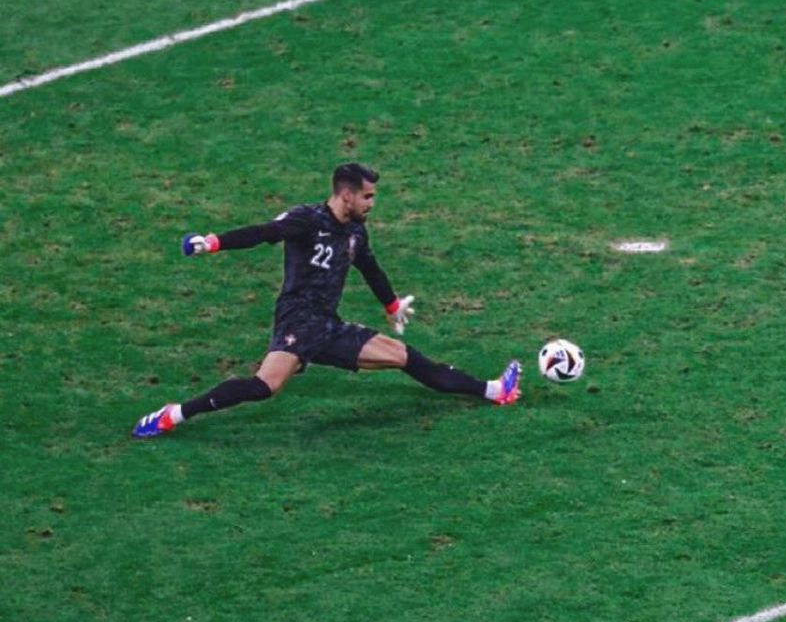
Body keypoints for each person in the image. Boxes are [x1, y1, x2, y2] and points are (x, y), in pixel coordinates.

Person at [132, 163, 521, 438]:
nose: (372, 203)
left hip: (328, 324)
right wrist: (213, 242)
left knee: (405, 356)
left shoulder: (356, 232)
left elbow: (369, 267)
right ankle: (173, 414)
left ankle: (493, 390)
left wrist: (391, 305)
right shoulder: (307, 220)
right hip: (298, 321)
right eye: (367, 196)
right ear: (346, 195)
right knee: (264, 387)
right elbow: (264, 233)